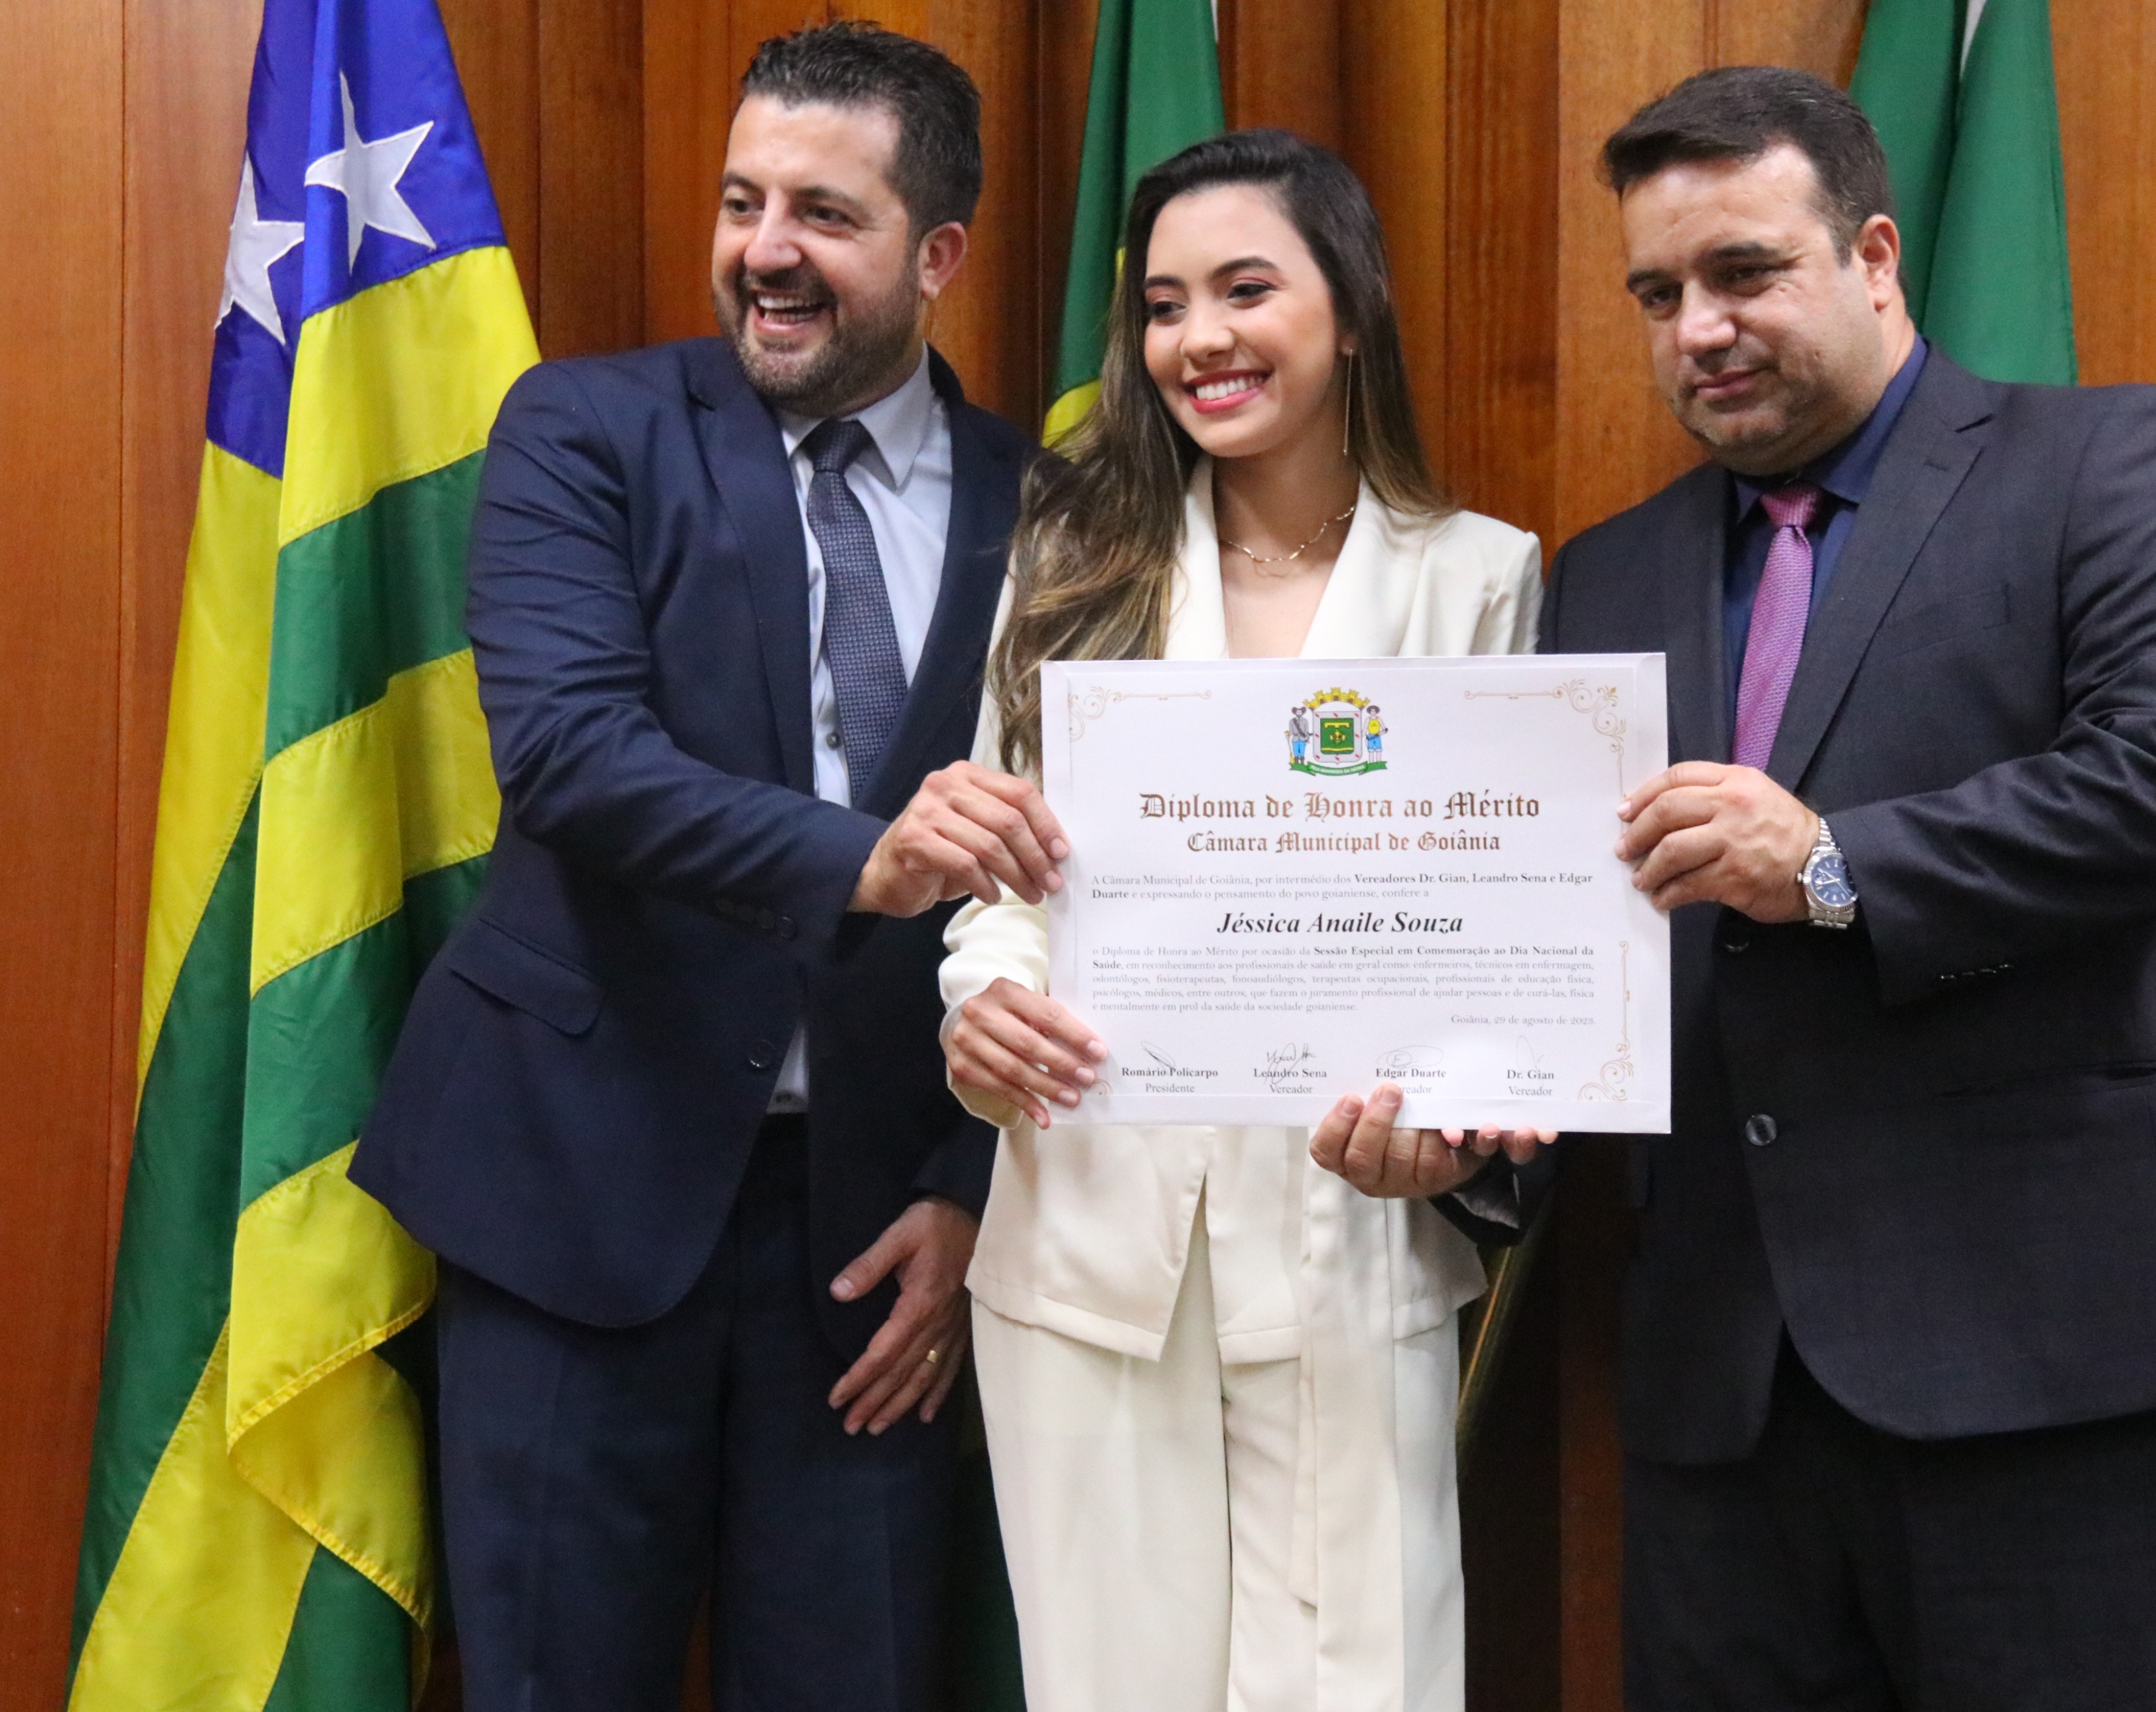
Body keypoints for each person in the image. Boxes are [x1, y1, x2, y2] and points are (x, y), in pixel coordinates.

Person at [1331, 66, 2156, 1708]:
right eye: (1657, 294)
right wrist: (1468, 1129)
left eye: (1743, 273)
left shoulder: (2106, 460)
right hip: (1720, 1396)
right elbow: (1574, 945)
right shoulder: (1610, 572)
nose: (1696, 329)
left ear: (1873, 255)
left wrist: (1833, 863)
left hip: (2038, 1366)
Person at [353, 24, 1066, 1711]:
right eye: (743, 202)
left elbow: (1073, 877)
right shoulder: (584, 429)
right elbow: (568, 754)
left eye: (823, 213)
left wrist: (972, 1190)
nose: (765, 250)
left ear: (937, 255)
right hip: (573, 1197)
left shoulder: (1047, 506)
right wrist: (867, 858)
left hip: (874, 1248)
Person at [933, 130, 1544, 1712]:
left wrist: (1466, 1106)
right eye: (1162, 305)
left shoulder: (1480, 581)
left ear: (1351, 307)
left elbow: (1498, 922)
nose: (1197, 337)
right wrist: (981, 1009)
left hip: (1352, 1238)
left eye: (1244, 289)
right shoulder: (1071, 561)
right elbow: (1008, 878)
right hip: (1087, 1242)